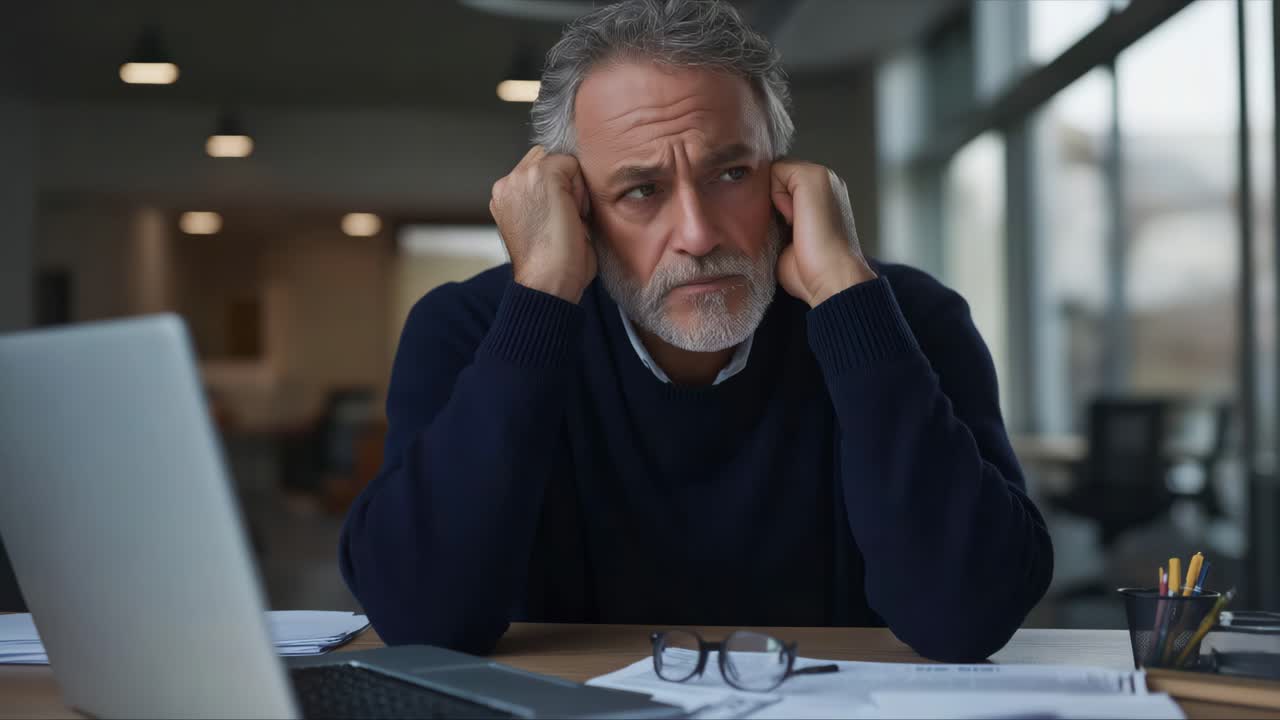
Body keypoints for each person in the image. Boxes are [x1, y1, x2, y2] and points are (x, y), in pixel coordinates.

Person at [340, 0, 1053, 663]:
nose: (698, 233)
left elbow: (966, 617)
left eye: (732, 173)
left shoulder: (908, 319)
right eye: (641, 190)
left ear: (785, 177)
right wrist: (544, 293)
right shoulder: (468, 327)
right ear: (577, 205)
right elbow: (424, 623)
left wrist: (847, 297)